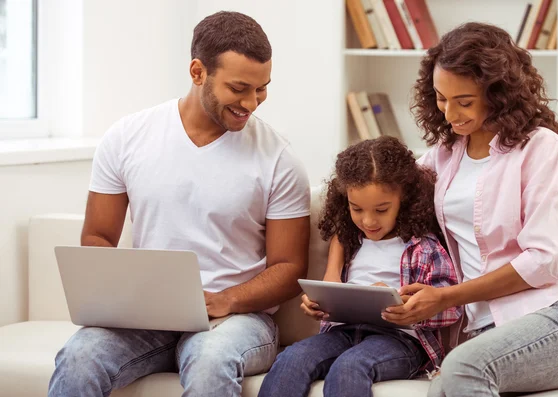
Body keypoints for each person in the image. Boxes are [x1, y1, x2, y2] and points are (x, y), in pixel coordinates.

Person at [48, 11, 311, 397]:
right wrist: (127, 298)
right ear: (198, 72)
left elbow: (289, 268)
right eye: (239, 88)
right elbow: (98, 236)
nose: (252, 102)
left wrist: (228, 300)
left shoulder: (278, 158)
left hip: (237, 320)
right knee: (78, 357)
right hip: (144, 317)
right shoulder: (127, 138)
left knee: (210, 362)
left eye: (262, 88)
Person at [380, 22, 558, 396]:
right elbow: (382, 195)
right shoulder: (444, 155)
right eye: (440, 98)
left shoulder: (539, 147)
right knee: (442, 386)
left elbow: (543, 260)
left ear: (498, 93)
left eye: (464, 101)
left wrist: (447, 297)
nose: (449, 113)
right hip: (484, 329)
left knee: (461, 368)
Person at [258, 136, 462, 397]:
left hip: (399, 341)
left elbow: (451, 307)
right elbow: (334, 285)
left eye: (381, 210)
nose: (368, 221)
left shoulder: (424, 247)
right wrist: (318, 303)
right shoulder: (350, 241)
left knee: (350, 366)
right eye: (357, 209)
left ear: (405, 200)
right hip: (342, 331)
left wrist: (404, 302)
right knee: (291, 358)